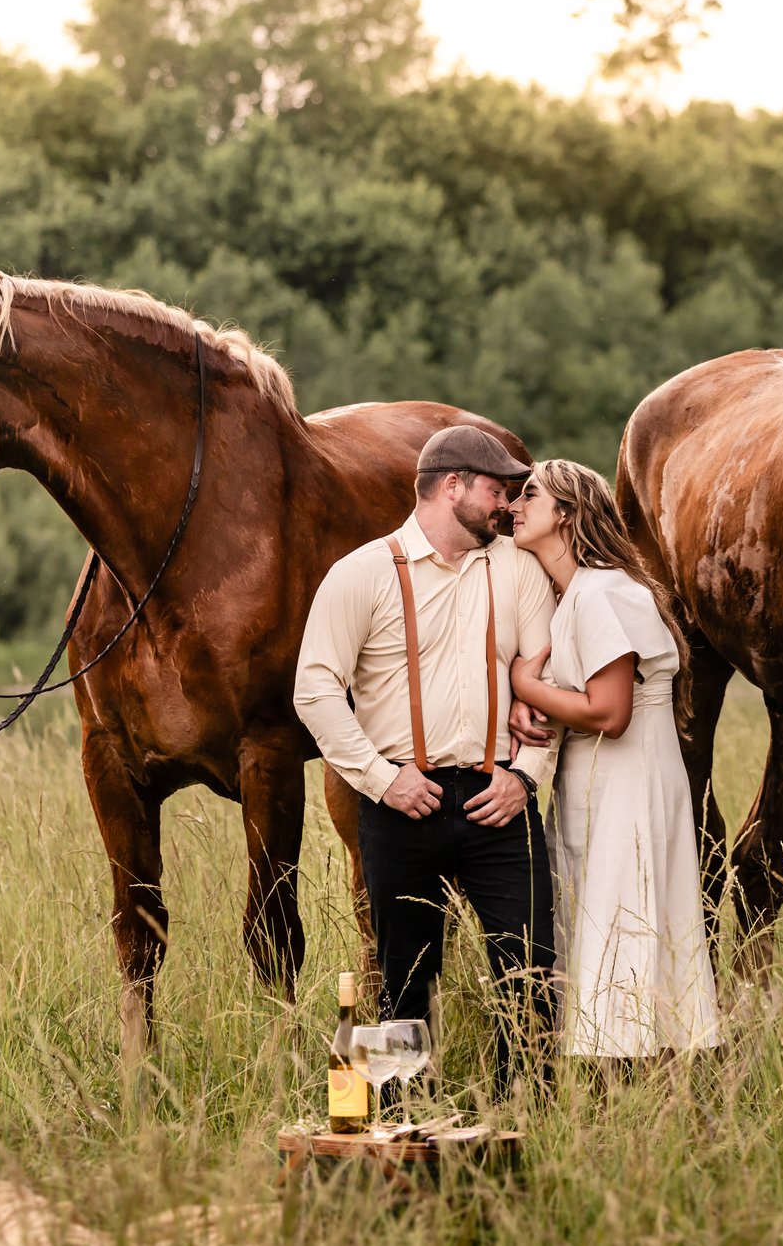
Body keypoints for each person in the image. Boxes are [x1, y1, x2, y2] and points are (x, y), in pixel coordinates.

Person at [292, 424, 561, 1089]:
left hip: (500, 800)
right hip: (400, 807)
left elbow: (546, 677)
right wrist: (381, 780)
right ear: (451, 486)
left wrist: (526, 775)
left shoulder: (519, 569)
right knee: (403, 987)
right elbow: (314, 688)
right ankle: (403, 1130)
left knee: (533, 976)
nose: (506, 504)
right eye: (496, 489)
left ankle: (522, 1126)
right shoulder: (360, 574)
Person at [507, 459, 722, 1061]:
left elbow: (608, 711)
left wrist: (527, 686)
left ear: (567, 514)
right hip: (597, 783)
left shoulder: (603, 591)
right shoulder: (576, 594)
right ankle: (612, 1084)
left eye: (529, 496)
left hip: (628, 783)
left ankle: (637, 1082)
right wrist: (530, 707)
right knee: (600, 924)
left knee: (626, 921)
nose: (514, 508)